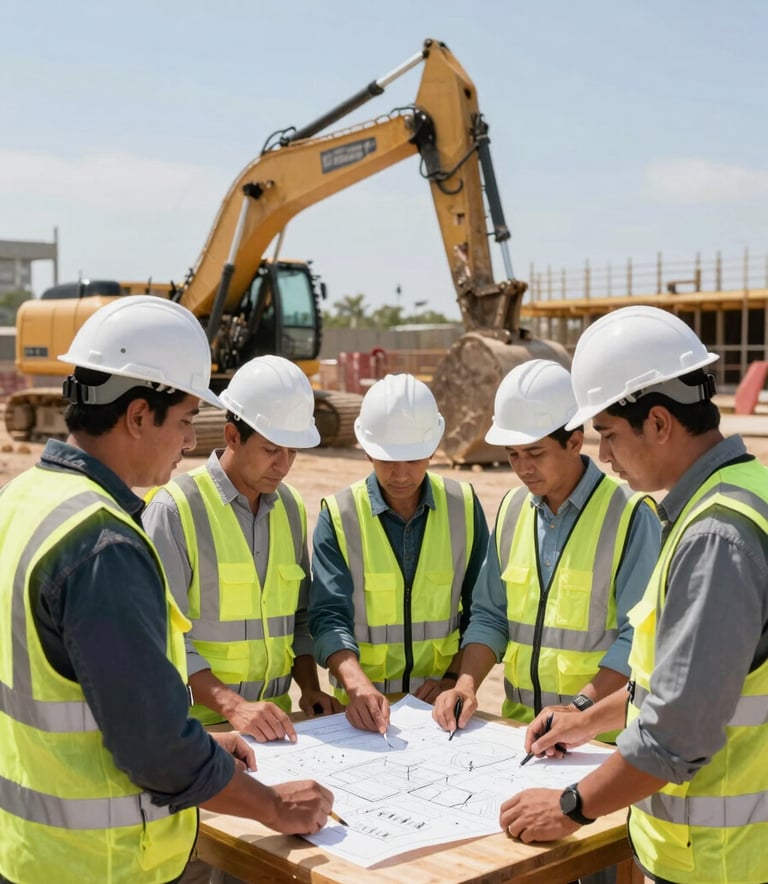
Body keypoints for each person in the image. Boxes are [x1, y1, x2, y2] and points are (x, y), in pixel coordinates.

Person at [0, 297, 332, 884]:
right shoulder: (105, 544)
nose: (186, 442)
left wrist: (207, 743)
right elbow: (155, 750)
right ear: (136, 416)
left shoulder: (24, 501)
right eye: (183, 421)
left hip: (32, 849)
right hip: (102, 864)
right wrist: (275, 807)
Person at [499, 306, 768, 884]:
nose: (604, 456)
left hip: (719, 862)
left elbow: (676, 735)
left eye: (610, 434)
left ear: (661, 423)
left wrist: (570, 806)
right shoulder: (748, 491)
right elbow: (684, 684)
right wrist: (586, 719)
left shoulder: (716, 536)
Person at [433, 359, 660, 740]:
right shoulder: (511, 510)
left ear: (574, 441)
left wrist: (579, 711)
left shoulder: (631, 515)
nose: (523, 468)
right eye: (513, 454)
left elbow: (638, 638)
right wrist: (466, 684)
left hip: (597, 740)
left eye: (535, 453)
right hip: (517, 732)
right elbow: (491, 616)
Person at [144, 355, 341, 747]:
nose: (283, 465)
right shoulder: (175, 510)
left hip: (276, 729)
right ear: (232, 436)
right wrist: (234, 707)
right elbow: (162, 638)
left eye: (293, 452)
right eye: (271, 450)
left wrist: (310, 688)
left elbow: (299, 619)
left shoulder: (289, 507)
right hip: (195, 732)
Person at [309, 373, 489, 734]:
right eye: (388, 459)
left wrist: (457, 679)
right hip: (359, 711)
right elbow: (329, 616)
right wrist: (356, 685)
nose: (401, 474)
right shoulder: (341, 514)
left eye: (413, 459)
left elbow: (483, 611)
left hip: (441, 712)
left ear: (434, 449)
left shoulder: (464, 507)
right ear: (365, 449)